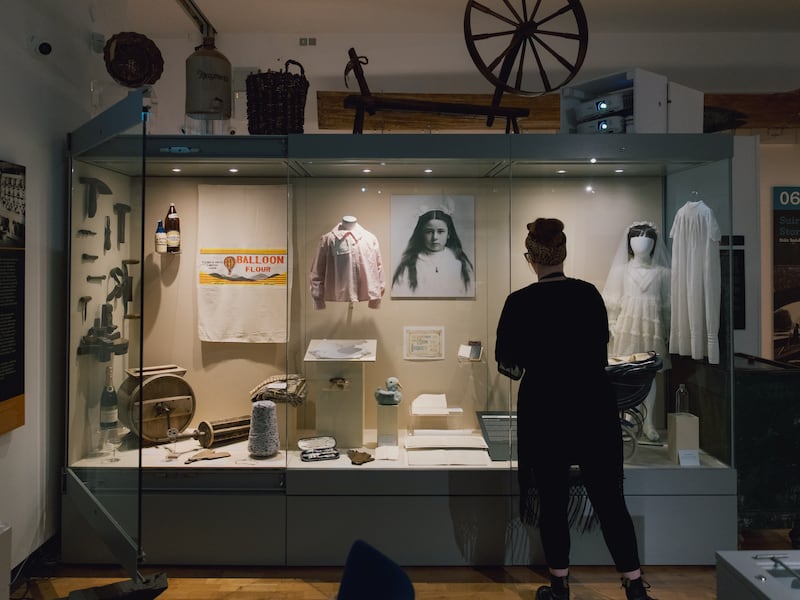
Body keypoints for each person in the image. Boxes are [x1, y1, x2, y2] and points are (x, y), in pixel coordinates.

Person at [495, 218, 655, 600]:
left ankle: (559, 584)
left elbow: (510, 365)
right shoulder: (588, 295)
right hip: (592, 404)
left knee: (552, 497)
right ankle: (634, 584)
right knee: (610, 499)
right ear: (562, 253)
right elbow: (600, 347)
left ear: (530, 258)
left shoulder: (520, 301)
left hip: (545, 407)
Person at [602, 222, 671, 442]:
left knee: (649, 374)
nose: (642, 244)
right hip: (627, 327)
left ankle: (649, 422)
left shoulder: (662, 273)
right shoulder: (622, 271)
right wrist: (612, 323)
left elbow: (667, 306)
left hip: (651, 327)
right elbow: (613, 301)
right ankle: (621, 419)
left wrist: (668, 329)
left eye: (647, 240)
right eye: (637, 240)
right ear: (630, 243)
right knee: (623, 371)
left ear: (654, 244)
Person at [391, 207, 474, 297]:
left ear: (449, 234)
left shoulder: (458, 263)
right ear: (421, 234)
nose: (435, 237)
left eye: (440, 231)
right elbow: (399, 294)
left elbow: (468, 294)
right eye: (429, 232)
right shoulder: (410, 264)